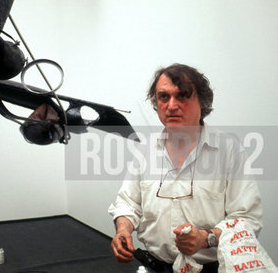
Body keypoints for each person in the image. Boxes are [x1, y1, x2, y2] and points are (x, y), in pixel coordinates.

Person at [108, 63, 263, 272]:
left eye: (182, 96)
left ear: (203, 102)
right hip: (154, 266)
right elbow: (128, 204)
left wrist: (205, 238)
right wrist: (123, 230)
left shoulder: (228, 151)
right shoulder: (145, 150)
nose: (171, 105)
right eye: (164, 97)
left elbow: (247, 219)